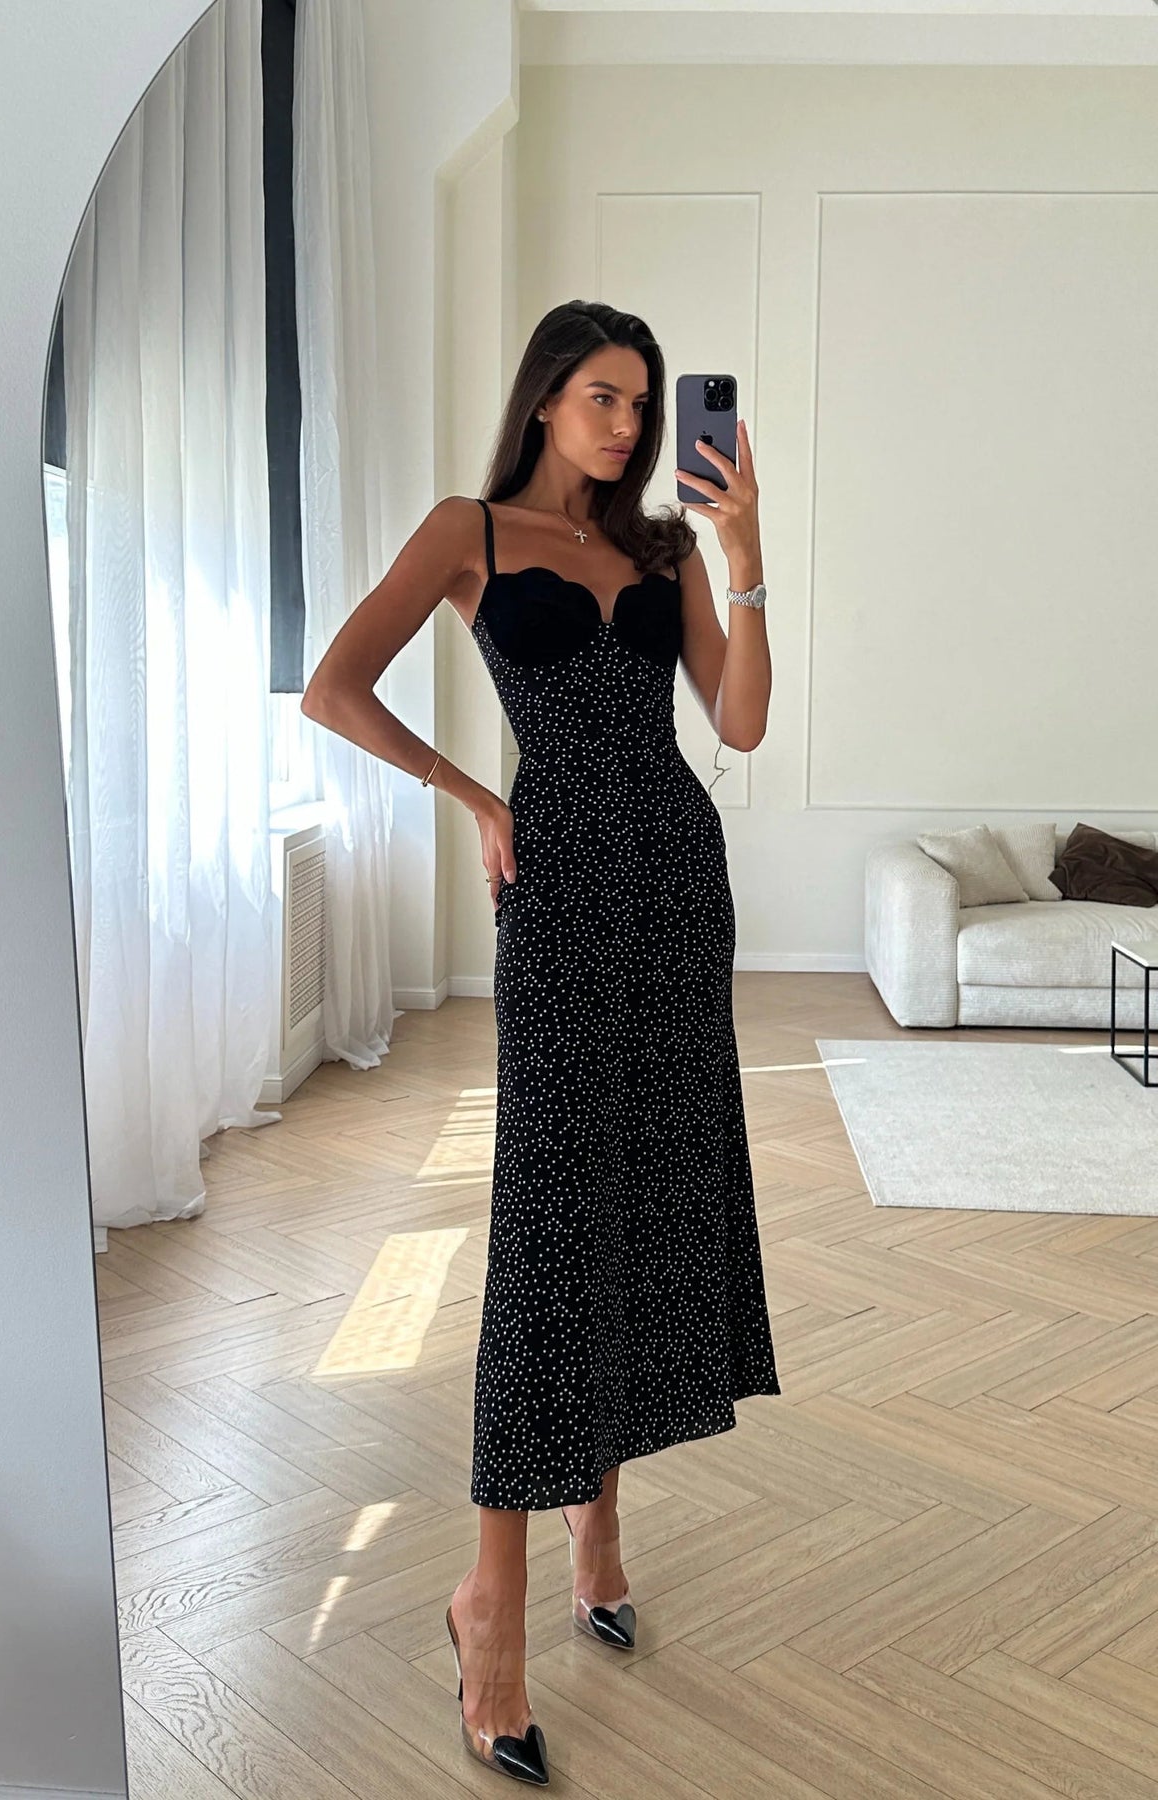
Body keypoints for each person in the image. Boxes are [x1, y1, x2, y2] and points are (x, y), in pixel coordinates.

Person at [301, 299, 780, 1786]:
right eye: (601, 397)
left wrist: (746, 558)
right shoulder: (473, 532)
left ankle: (601, 1527)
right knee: (549, 1228)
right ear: (546, 399)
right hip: (561, 890)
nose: (628, 425)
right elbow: (334, 687)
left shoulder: (665, 551)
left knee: (638, 1205)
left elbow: (739, 726)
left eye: (643, 402)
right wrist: (477, 795)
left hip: (676, 888)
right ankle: (489, 1603)